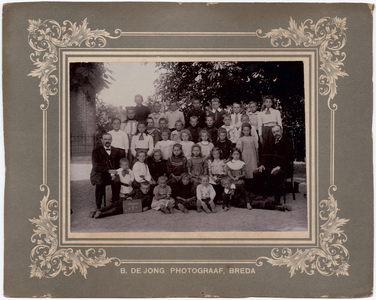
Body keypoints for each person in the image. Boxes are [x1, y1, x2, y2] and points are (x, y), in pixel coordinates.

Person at [253, 125, 294, 203]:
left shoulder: (287, 141)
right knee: (256, 173)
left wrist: (279, 166)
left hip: (283, 168)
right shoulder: (270, 142)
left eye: (277, 131)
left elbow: (288, 157)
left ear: (281, 131)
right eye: (274, 132)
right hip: (271, 167)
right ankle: (261, 197)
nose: (276, 133)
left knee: (276, 174)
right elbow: (265, 155)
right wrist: (262, 165)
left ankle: (276, 199)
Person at [90, 133, 125, 209]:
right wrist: (109, 171)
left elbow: (119, 165)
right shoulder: (96, 151)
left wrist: (114, 173)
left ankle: (115, 203)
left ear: (111, 140)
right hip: (99, 173)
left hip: (113, 173)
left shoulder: (116, 151)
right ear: (102, 140)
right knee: (100, 182)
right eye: (105, 139)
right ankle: (98, 205)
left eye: (109, 139)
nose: (107, 141)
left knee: (117, 181)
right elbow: (96, 166)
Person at [236, 123, 258, 190]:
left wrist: (257, 158)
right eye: (245, 130)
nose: (246, 132)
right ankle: (247, 189)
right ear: (242, 131)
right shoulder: (241, 139)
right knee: (246, 171)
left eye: (248, 130)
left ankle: (253, 189)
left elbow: (256, 148)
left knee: (253, 171)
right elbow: (239, 150)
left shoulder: (253, 138)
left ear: (250, 130)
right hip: (244, 157)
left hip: (253, 157)